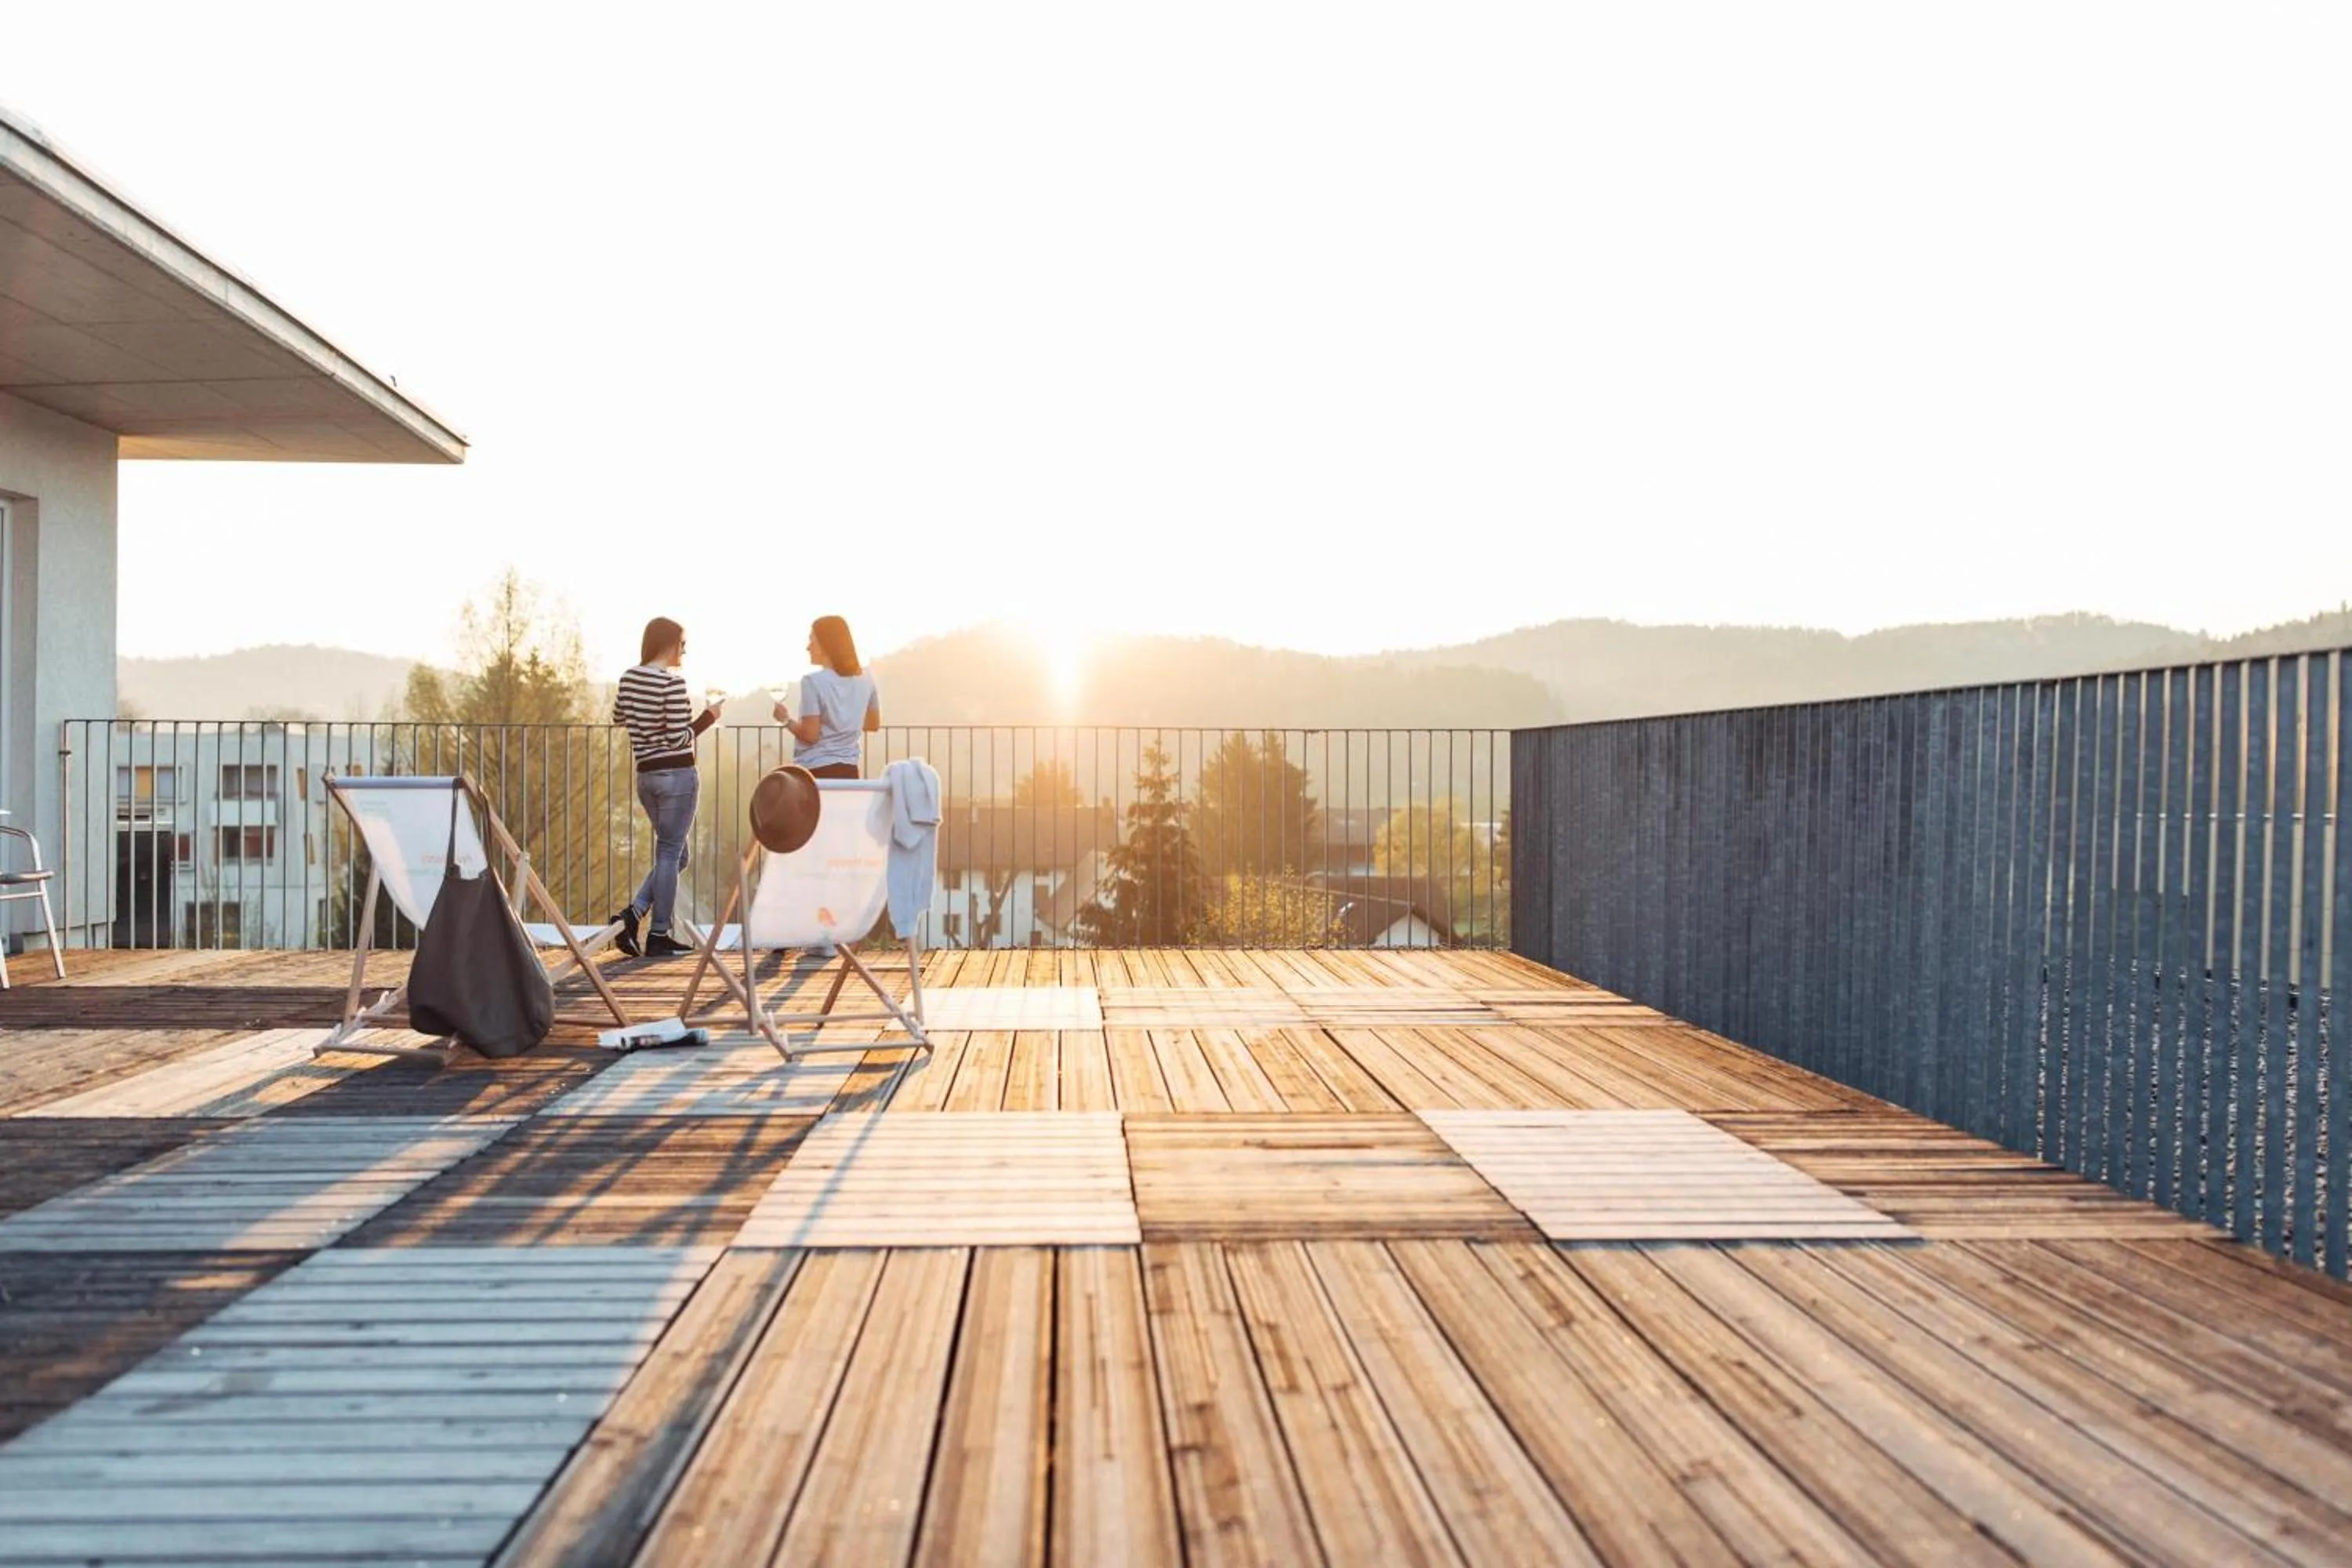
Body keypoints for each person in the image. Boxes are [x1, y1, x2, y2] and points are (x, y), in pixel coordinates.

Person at [610, 616, 721, 957]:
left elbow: (618, 717)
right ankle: (658, 935)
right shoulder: (673, 684)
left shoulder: (629, 678)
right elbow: (677, 736)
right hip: (677, 776)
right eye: (683, 645)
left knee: (676, 854)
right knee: (671, 852)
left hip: (647, 777)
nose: (684, 652)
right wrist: (709, 718)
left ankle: (633, 914)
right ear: (669, 644)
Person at [774, 615, 880, 780]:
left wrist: (785, 720)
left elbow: (810, 736)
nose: (808, 647)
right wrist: (845, 721)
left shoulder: (812, 682)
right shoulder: (867, 678)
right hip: (849, 771)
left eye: (812, 641)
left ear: (826, 644)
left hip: (816, 772)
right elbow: (873, 724)